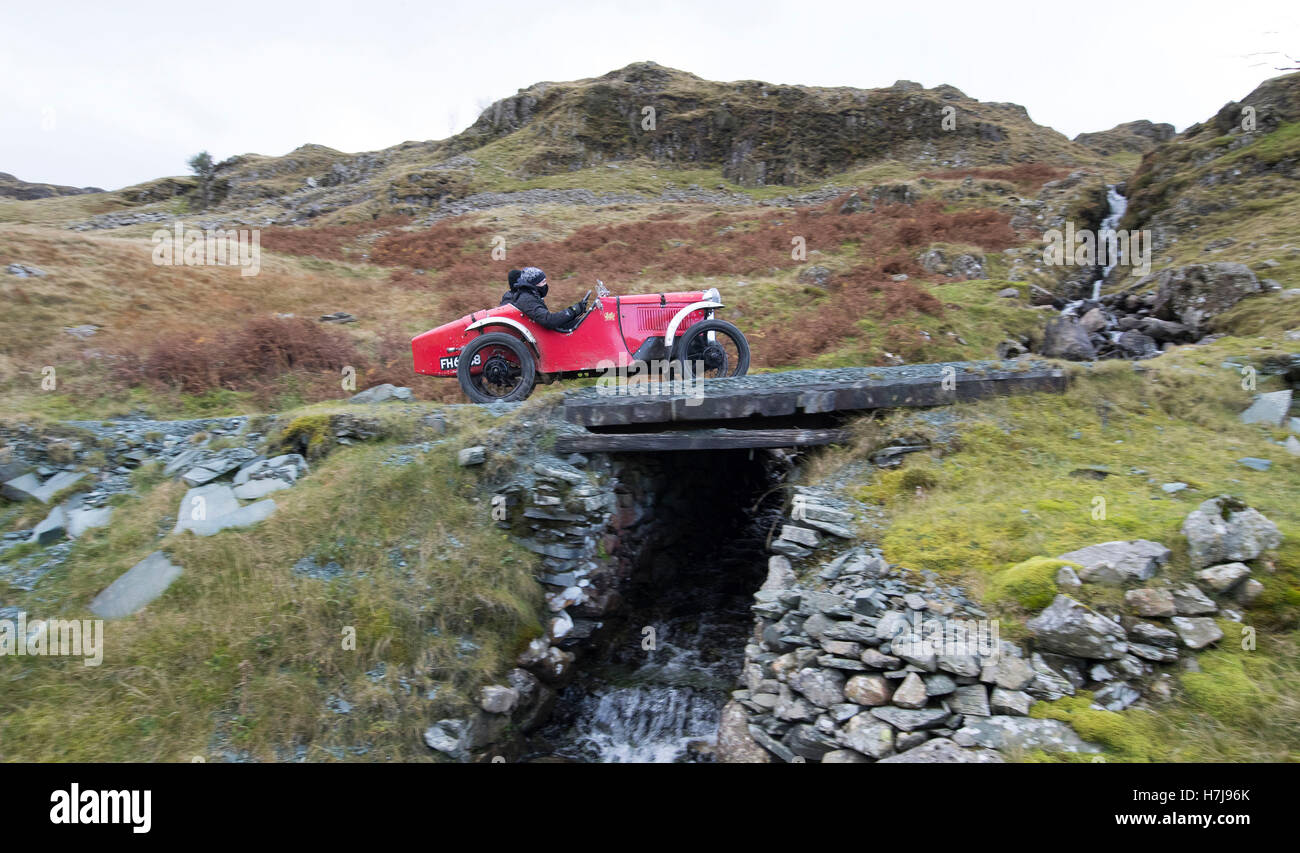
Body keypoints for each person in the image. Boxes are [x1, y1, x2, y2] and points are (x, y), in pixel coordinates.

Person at [499, 266, 587, 330]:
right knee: (583, 325)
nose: (545, 285)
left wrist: (575, 312)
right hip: (544, 333)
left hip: (542, 328)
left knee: (582, 321)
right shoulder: (527, 299)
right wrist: (574, 310)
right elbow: (548, 320)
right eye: (543, 282)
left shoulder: (529, 295)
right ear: (534, 284)